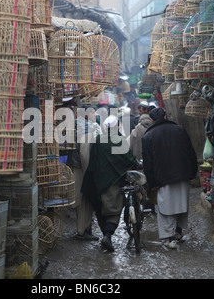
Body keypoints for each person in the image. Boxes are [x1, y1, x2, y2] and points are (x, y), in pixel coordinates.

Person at [142, 107, 198, 249]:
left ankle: (169, 236)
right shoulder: (180, 130)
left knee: (166, 207)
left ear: (152, 120)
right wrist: (193, 172)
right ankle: (178, 230)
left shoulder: (148, 136)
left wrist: (152, 182)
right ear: (165, 116)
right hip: (183, 174)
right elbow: (191, 152)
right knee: (181, 204)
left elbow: (148, 163)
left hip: (163, 178)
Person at [81, 115, 137, 252]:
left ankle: (106, 234)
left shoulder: (98, 139)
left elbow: (92, 160)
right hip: (114, 181)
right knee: (114, 210)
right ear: (117, 126)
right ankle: (108, 236)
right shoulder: (119, 140)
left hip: (97, 180)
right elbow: (129, 159)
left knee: (100, 210)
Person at [69, 106, 101, 240]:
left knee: (83, 199)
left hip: (78, 168)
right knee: (85, 200)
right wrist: (91, 174)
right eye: (93, 112)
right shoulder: (86, 132)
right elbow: (85, 155)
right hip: (83, 170)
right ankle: (83, 231)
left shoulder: (80, 128)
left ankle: (85, 229)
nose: (95, 114)